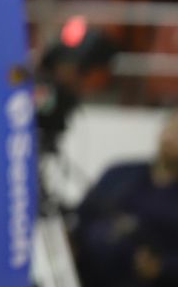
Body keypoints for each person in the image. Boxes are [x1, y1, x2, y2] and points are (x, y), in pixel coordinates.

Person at [73, 110, 178, 287]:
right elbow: (82, 216)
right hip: (85, 275)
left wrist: (162, 267)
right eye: (170, 128)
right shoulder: (120, 174)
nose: (170, 137)